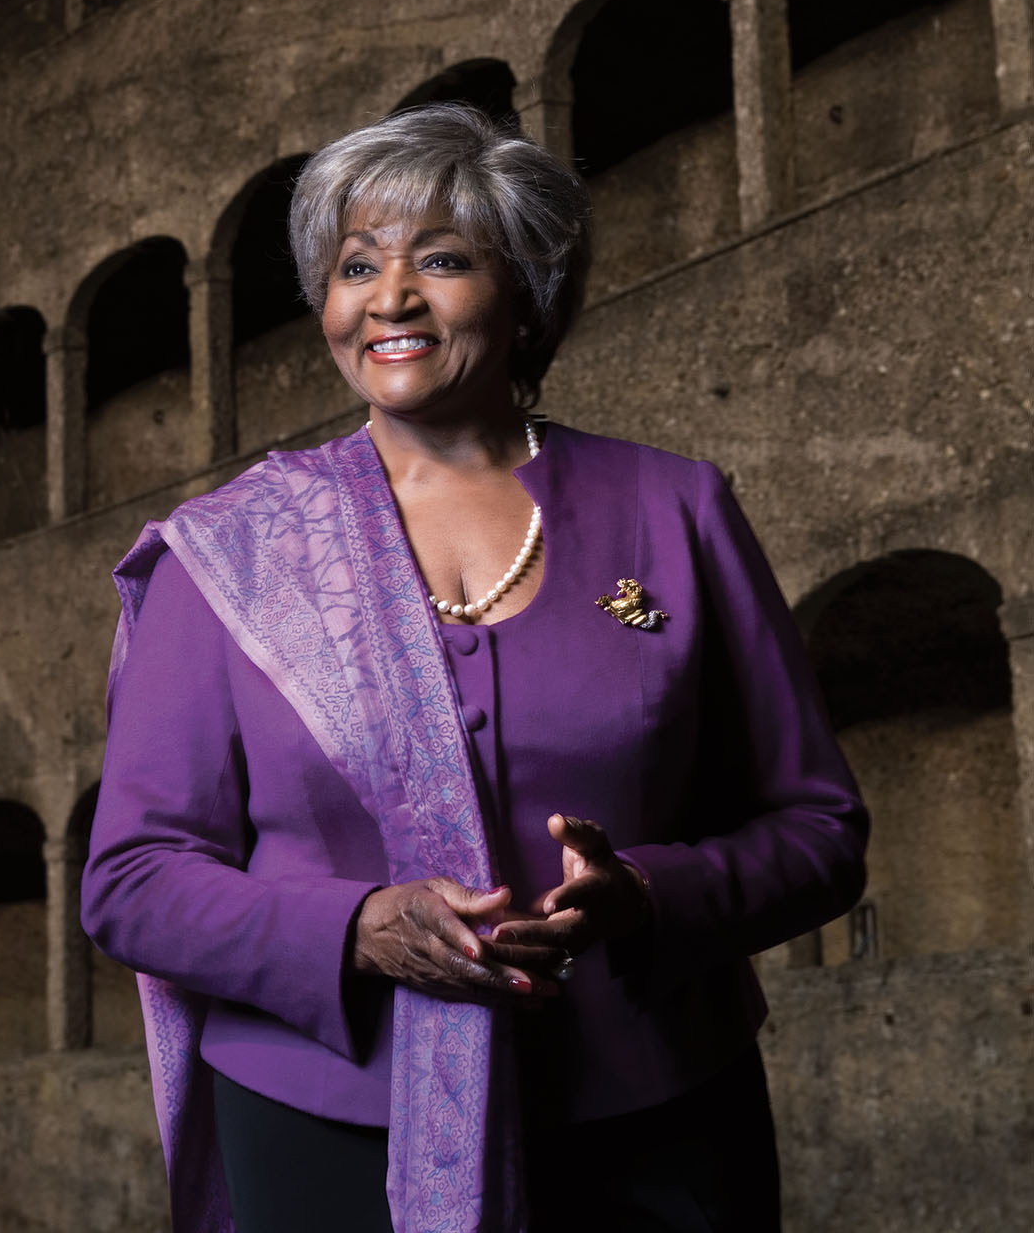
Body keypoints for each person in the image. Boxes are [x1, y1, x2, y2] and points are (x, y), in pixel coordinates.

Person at [82, 103, 868, 1233]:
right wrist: (354, 927)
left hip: (650, 1105)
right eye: (356, 265)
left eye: (441, 260)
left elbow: (818, 828)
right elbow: (133, 879)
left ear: (527, 290)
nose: (389, 298)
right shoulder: (233, 551)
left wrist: (649, 894)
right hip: (327, 1116)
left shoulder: (675, 507)